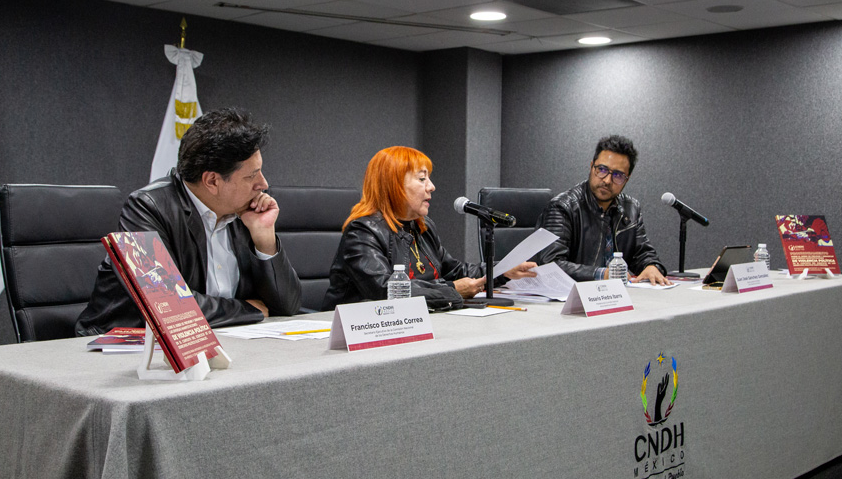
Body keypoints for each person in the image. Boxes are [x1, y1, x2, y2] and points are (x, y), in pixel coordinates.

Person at [76, 108, 302, 335]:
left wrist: (265, 241)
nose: (263, 184)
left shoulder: (245, 210)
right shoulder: (146, 208)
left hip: (218, 344)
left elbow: (287, 306)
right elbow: (168, 306)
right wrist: (245, 309)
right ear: (212, 181)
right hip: (121, 350)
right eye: (251, 176)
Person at [322, 146, 536, 309]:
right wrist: (452, 290)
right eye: (422, 179)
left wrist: (502, 270)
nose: (431, 186)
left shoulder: (421, 227)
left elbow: (455, 271)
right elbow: (386, 290)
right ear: (394, 185)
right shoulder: (363, 232)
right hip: (362, 334)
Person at [534, 135, 668, 285]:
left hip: (616, 297)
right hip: (572, 299)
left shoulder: (631, 208)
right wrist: (601, 274)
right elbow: (550, 265)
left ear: (626, 179)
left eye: (618, 175)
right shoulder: (563, 207)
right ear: (592, 166)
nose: (607, 180)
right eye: (602, 170)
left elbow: (643, 253)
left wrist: (651, 266)